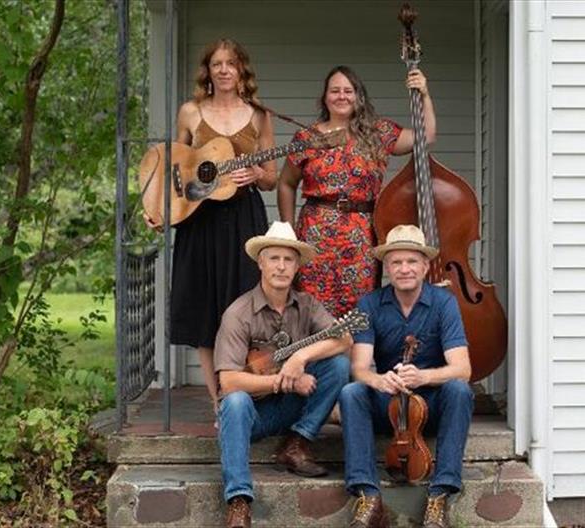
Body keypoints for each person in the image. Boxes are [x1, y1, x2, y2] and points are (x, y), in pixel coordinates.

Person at [152, 38, 276, 412]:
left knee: (245, 305)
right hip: (200, 219)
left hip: (244, 219)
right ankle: (219, 401)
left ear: (241, 70)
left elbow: (272, 178)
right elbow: (174, 167)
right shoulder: (191, 112)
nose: (224, 70)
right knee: (205, 306)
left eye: (231, 63)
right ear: (207, 70)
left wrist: (256, 173)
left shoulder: (258, 115)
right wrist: (160, 208)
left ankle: (242, 393)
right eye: (217, 63)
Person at [214, 221, 351, 528]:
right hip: (251, 415)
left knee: (338, 366)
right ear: (260, 263)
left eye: (288, 259)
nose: (281, 266)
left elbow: (344, 339)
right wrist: (284, 381)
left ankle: (296, 444)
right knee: (234, 402)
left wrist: (300, 357)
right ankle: (238, 501)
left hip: (289, 408)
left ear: (297, 266)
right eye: (274, 258)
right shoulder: (238, 313)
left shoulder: (307, 305)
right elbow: (229, 382)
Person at [339, 225, 473, 528]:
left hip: (430, 405)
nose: (404, 269)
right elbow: (359, 368)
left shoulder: (444, 303)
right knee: (351, 393)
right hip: (389, 404)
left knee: (459, 390)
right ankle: (368, 496)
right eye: (396, 262)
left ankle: (440, 495)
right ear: (387, 268)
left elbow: (462, 369)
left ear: (425, 266)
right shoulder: (369, 304)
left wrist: (423, 377)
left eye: (412, 261)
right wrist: (379, 380)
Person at [277, 65, 436, 318]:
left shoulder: (377, 133)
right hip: (315, 234)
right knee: (311, 307)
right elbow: (286, 183)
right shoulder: (307, 137)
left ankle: (355, 348)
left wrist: (424, 94)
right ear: (325, 97)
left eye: (348, 91)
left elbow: (425, 136)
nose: (341, 96)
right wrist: (288, 233)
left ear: (358, 96)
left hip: (361, 236)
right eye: (335, 91)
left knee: (359, 310)